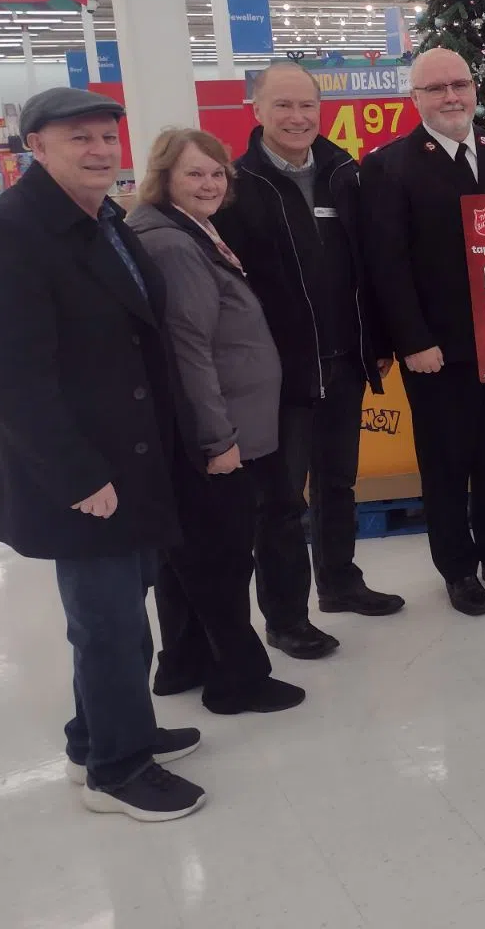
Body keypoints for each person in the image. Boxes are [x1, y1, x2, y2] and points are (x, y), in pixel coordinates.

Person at [0, 88, 205, 821]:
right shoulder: (7, 236)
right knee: (107, 620)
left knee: (123, 605)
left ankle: (94, 734)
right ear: (35, 145)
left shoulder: (104, 218)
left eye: (106, 136)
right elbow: (12, 380)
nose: (99, 150)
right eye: (78, 139)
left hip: (129, 453)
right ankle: (117, 770)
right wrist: (78, 475)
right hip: (79, 468)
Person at [213, 62, 403, 665]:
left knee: (339, 481)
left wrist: (378, 336)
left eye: (306, 106)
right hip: (280, 373)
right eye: (283, 106)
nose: (297, 118)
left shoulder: (344, 173)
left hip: (344, 359)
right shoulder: (237, 184)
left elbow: (370, 262)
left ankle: (341, 583)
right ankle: (287, 616)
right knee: (280, 500)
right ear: (257, 111)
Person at [127, 130, 307, 714]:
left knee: (187, 557)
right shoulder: (174, 245)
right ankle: (240, 681)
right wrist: (217, 439)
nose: (209, 184)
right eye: (194, 174)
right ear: (164, 179)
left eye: (216, 174)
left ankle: (182, 663)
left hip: (227, 425)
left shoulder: (189, 231)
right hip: (221, 434)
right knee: (222, 558)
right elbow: (189, 349)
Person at [362, 47, 485, 616]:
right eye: (436, 88)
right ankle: (458, 568)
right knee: (444, 461)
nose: (451, 97)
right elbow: (385, 265)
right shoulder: (389, 166)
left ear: (474, 88)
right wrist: (412, 341)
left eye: (459, 84)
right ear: (414, 98)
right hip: (436, 349)